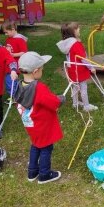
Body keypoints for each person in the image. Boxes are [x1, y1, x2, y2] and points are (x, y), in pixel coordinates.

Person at [14, 52, 65, 183]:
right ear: (35, 71)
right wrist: (60, 99)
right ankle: (44, 174)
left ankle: (32, 172)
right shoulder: (39, 88)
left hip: (30, 124)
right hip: (42, 125)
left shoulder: (19, 85)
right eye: (42, 69)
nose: (42, 70)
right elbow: (52, 102)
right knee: (46, 148)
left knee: (36, 145)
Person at [57, 22, 98, 111]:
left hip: (71, 69)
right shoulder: (76, 44)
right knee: (83, 87)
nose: (79, 29)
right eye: (77, 28)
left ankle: (75, 103)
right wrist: (91, 67)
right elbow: (83, 59)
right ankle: (86, 106)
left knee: (75, 87)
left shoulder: (67, 43)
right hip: (79, 70)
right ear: (73, 32)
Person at [1, 20, 28, 98]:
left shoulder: (20, 39)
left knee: (10, 80)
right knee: (11, 80)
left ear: (13, 29)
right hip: (9, 63)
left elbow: (24, 52)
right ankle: (16, 94)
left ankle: (14, 97)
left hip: (15, 63)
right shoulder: (9, 39)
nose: (6, 34)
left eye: (6, 32)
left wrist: (13, 55)